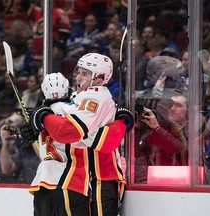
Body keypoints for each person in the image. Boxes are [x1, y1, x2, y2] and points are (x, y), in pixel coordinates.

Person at [26, 54, 133, 215]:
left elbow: (71, 132)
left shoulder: (95, 96)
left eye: (85, 73)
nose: (78, 77)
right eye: (78, 72)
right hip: (84, 180)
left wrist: (43, 117)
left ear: (100, 79)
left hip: (101, 177)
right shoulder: (75, 99)